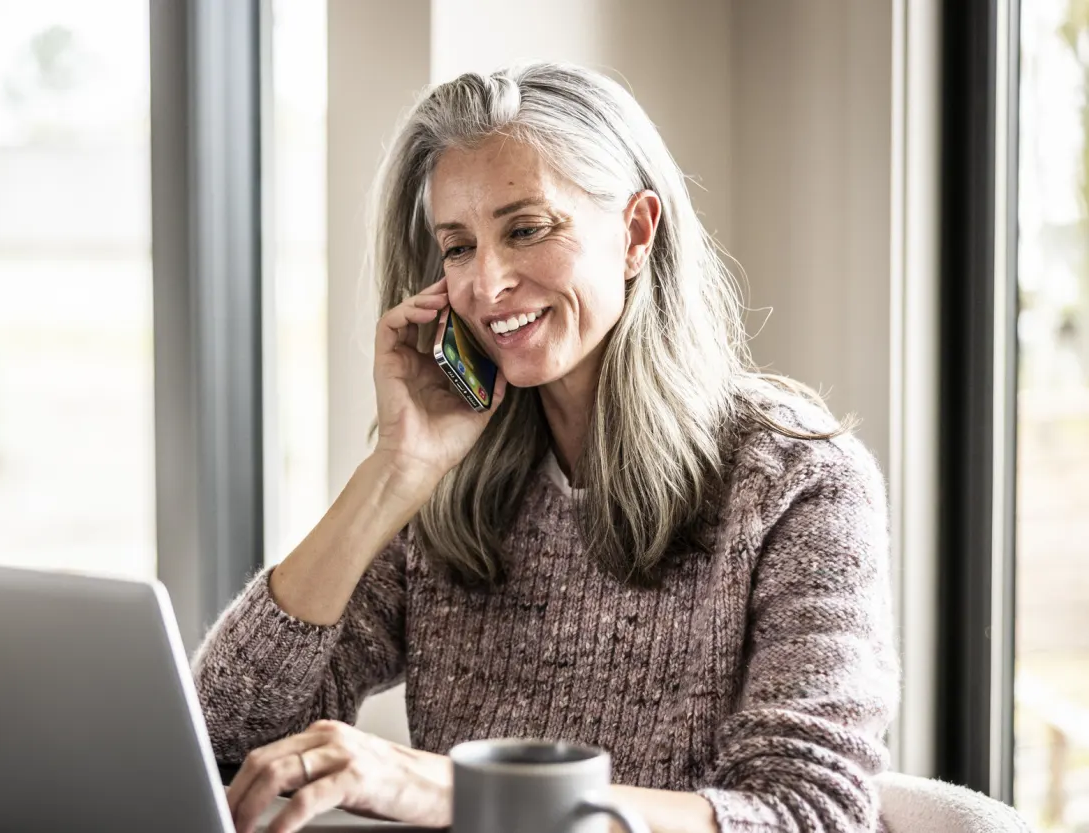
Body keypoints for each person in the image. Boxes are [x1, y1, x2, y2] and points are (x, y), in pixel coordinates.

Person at [193, 62, 897, 833]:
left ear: (634, 233)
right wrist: (395, 468)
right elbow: (223, 734)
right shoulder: (452, 487)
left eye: (526, 229)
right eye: (457, 247)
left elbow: (809, 813)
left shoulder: (797, 482)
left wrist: (464, 791)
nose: (488, 283)